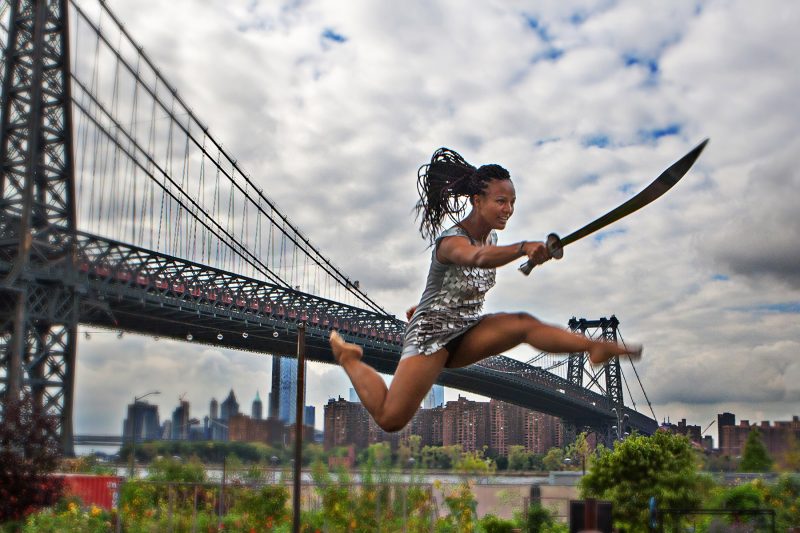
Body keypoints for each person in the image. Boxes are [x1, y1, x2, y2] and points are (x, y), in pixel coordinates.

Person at [329, 148, 641, 432]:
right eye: (501, 201)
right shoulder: (451, 241)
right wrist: (522, 248)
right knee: (390, 419)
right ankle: (350, 358)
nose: (508, 209)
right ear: (477, 201)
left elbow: (474, 271)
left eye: (513, 202)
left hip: (467, 329)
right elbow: (475, 259)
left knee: (523, 324)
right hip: (431, 337)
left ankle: (590, 346)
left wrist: (530, 255)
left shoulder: (490, 239)